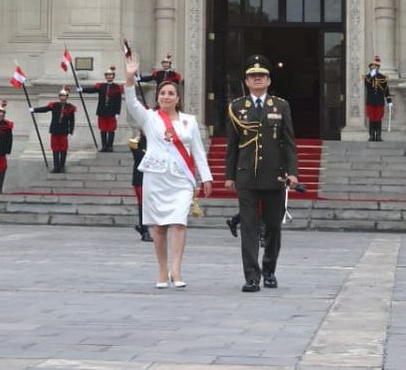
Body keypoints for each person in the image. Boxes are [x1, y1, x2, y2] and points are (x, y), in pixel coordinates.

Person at [123, 48, 213, 289]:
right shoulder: (149, 118)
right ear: (158, 97)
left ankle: (176, 268)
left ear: (178, 97)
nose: (166, 96)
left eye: (171, 93)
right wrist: (130, 77)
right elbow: (131, 102)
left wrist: (206, 178)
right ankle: (162, 271)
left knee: (179, 223)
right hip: (156, 177)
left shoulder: (189, 121)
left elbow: (197, 150)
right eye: (162, 93)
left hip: (182, 178)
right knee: (159, 227)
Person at [224, 56, 298, 293]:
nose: (258, 79)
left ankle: (269, 270)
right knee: (248, 227)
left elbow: (288, 142)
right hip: (246, 175)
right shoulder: (237, 107)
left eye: (262, 76)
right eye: (253, 76)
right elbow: (232, 145)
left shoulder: (280, 106)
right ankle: (251, 276)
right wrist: (229, 176)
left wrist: (292, 173)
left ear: (268, 80)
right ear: (246, 81)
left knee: (274, 226)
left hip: (274, 175)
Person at [31, 88, 76, 173]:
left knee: (63, 148)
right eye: (61, 96)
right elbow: (45, 109)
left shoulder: (70, 107)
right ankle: (56, 167)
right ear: (59, 97)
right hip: (55, 129)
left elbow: (72, 120)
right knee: (55, 148)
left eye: (64, 96)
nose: (63, 97)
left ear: (67, 97)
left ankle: (62, 166)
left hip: (64, 130)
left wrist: (71, 129)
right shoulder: (54, 105)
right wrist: (34, 110)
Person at [81, 66, 123, 152]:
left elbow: (118, 101)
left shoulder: (117, 87)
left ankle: (110, 146)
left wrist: (117, 112)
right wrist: (82, 90)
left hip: (112, 111)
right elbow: (92, 90)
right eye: (107, 75)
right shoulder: (101, 86)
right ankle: (104, 146)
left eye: (111, 75)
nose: (109, 76)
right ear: (105, 76)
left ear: (113, 76)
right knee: (103, 129)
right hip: (102, 111)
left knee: (111, 129)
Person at [128, 133, 152, 242]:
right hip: (140, 178)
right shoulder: (136, 142)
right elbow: (139, 158)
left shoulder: (155, 142)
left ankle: (142, 227)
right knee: (143, 205)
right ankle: (144, 230)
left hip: (152, 179)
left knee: (147, 205)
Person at [363, 56, 392, 142]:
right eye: (372, 66)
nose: (374, 67)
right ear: (370, 67)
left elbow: (386, 90)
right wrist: (371, 76)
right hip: (371, 102)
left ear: (378, 67)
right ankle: (372, 135)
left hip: (379, 101)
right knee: (371, 119)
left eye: (376, 66)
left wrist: (389, 100)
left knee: (378, 119)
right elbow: (367, 85)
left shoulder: (382, 77)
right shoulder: (367, 77)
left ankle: (378, 135)